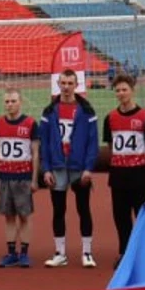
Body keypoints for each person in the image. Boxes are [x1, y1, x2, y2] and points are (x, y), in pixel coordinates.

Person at [39, 70, 98, 269]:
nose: (66, 87)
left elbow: (92, 142)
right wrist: (45, 169)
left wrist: (89, 168)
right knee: (58, 210)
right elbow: (44, 143)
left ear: (76, 84)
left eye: (70, 83)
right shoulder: (49, 111)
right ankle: (60, 252)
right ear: (58, 84)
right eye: (63, 83)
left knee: (84, 209)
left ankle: (87, 252)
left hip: (78, 167)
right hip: (57, 166)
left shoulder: (87, 110)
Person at [103, 75, 145, 259]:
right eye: (118, 90)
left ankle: (143, 252)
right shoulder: (110, 118)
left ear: (132, 90)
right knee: (121, 216)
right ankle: (124, 253)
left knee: (141, 215)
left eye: (124, 89)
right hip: (118, 175)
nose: (121, 93)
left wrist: (137, 161)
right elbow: (111, 146)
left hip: (139, 174)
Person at [0, 88, 41, 268]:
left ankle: (25, 253)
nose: (10, 105)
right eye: (7, 101)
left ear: (20, 102)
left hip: (23, 176)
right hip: (4, 176)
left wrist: (34, 179)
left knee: (24, 215)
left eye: (13, 101)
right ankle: (11, 252)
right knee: (9, 216)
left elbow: (35, 153)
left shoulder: (30, 124)